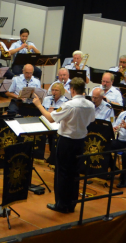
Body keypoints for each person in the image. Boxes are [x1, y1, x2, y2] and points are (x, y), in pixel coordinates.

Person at [32, 77, 95, 213]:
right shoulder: (90, 104)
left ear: (71, 90)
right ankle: (72, 203)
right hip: (80, 141)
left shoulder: (69, 105)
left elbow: (50, 118)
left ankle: (61, 204)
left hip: (67, 141)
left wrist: (38, 105)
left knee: (62, 173)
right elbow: (91, 120)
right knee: (74, 173)